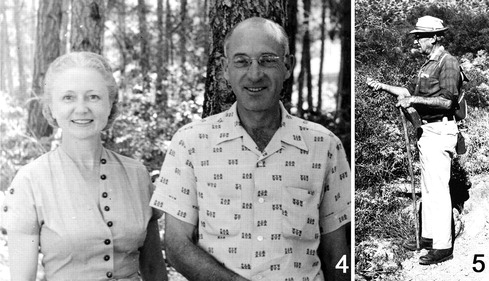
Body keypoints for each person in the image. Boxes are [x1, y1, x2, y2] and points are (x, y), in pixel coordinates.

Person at [150, 17, 351, 281]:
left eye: (267, 60)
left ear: (287, 66)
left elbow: (339, 255)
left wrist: (345, 275)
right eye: (242, 61)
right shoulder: (190, 142)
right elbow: (176, 247)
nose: (255, 73)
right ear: (225, 69)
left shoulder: (323, 145)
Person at [1, 52, 168, 280]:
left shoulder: (137, 174)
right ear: (52, 108)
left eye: (93, 97)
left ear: (111, 105)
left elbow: (153, 271)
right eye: (68, 98)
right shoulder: (30, 181)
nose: (81, 109)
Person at [367, 16, 461, 265]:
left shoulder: (448, 62)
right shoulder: (427, 65)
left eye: (420, 37)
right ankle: (429, 237)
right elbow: (408, 93)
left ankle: (443, 246)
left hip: (440, 131)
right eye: (417, 36)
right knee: (428, 188)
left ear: (435, 37)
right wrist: (381, 86)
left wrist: (414, 102)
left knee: (438, 189)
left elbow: (447, 102)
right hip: (427, 132)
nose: (417, 41)